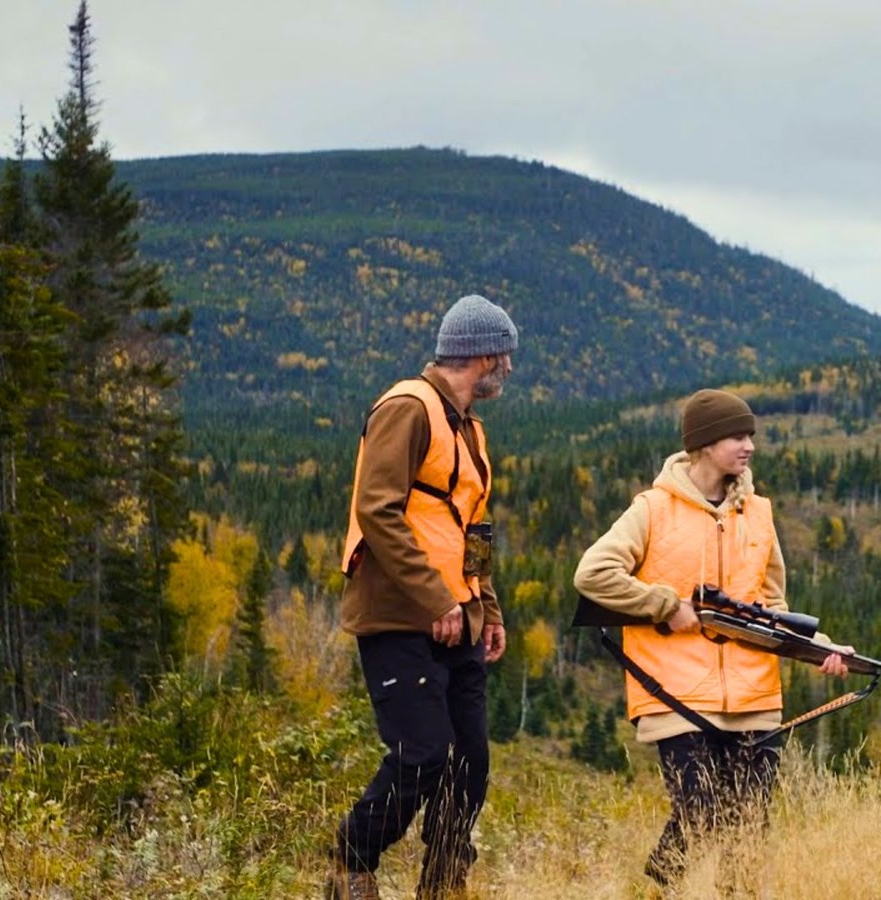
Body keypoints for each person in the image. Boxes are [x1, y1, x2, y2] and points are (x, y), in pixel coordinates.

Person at [574, 388, 850, 892]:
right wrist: (665, 605)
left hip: (754, 696)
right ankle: (661, 886)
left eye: (750, 436)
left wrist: (821, 647)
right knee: (699, 816)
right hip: (675, 694)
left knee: (748, 832)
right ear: (703, 444)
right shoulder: (653, 509)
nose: (749, 446)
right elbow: (593, 574)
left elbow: (772, 608)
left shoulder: (758, 513)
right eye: (736, 437)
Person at [328, 294, 517, 900]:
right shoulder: (407, 408)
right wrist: (437, 600)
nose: (508, 369)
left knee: (470, 762)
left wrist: (486, 607)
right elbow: (376, 511)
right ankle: (351, 863)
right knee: (423, 753)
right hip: (398, 615)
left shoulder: (470, 429)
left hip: (459, 615)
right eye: (505, 357)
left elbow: (473, 527)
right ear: (482, 356)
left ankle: (443, 884)